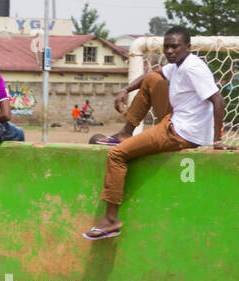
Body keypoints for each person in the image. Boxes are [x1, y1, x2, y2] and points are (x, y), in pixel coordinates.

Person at [84, 27, 225, 240]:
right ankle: (125, 133)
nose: (169, 50)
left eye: (174, 46)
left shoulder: (194, 67)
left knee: (117, 155)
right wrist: (125, 90)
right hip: (174, 118)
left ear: (188, 47)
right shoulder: (177, 66)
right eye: (166, 46)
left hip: (179, 132)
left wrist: (217, 140)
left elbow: (218, 100)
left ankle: (111, 220)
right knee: (151, 79)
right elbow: (152, 75)